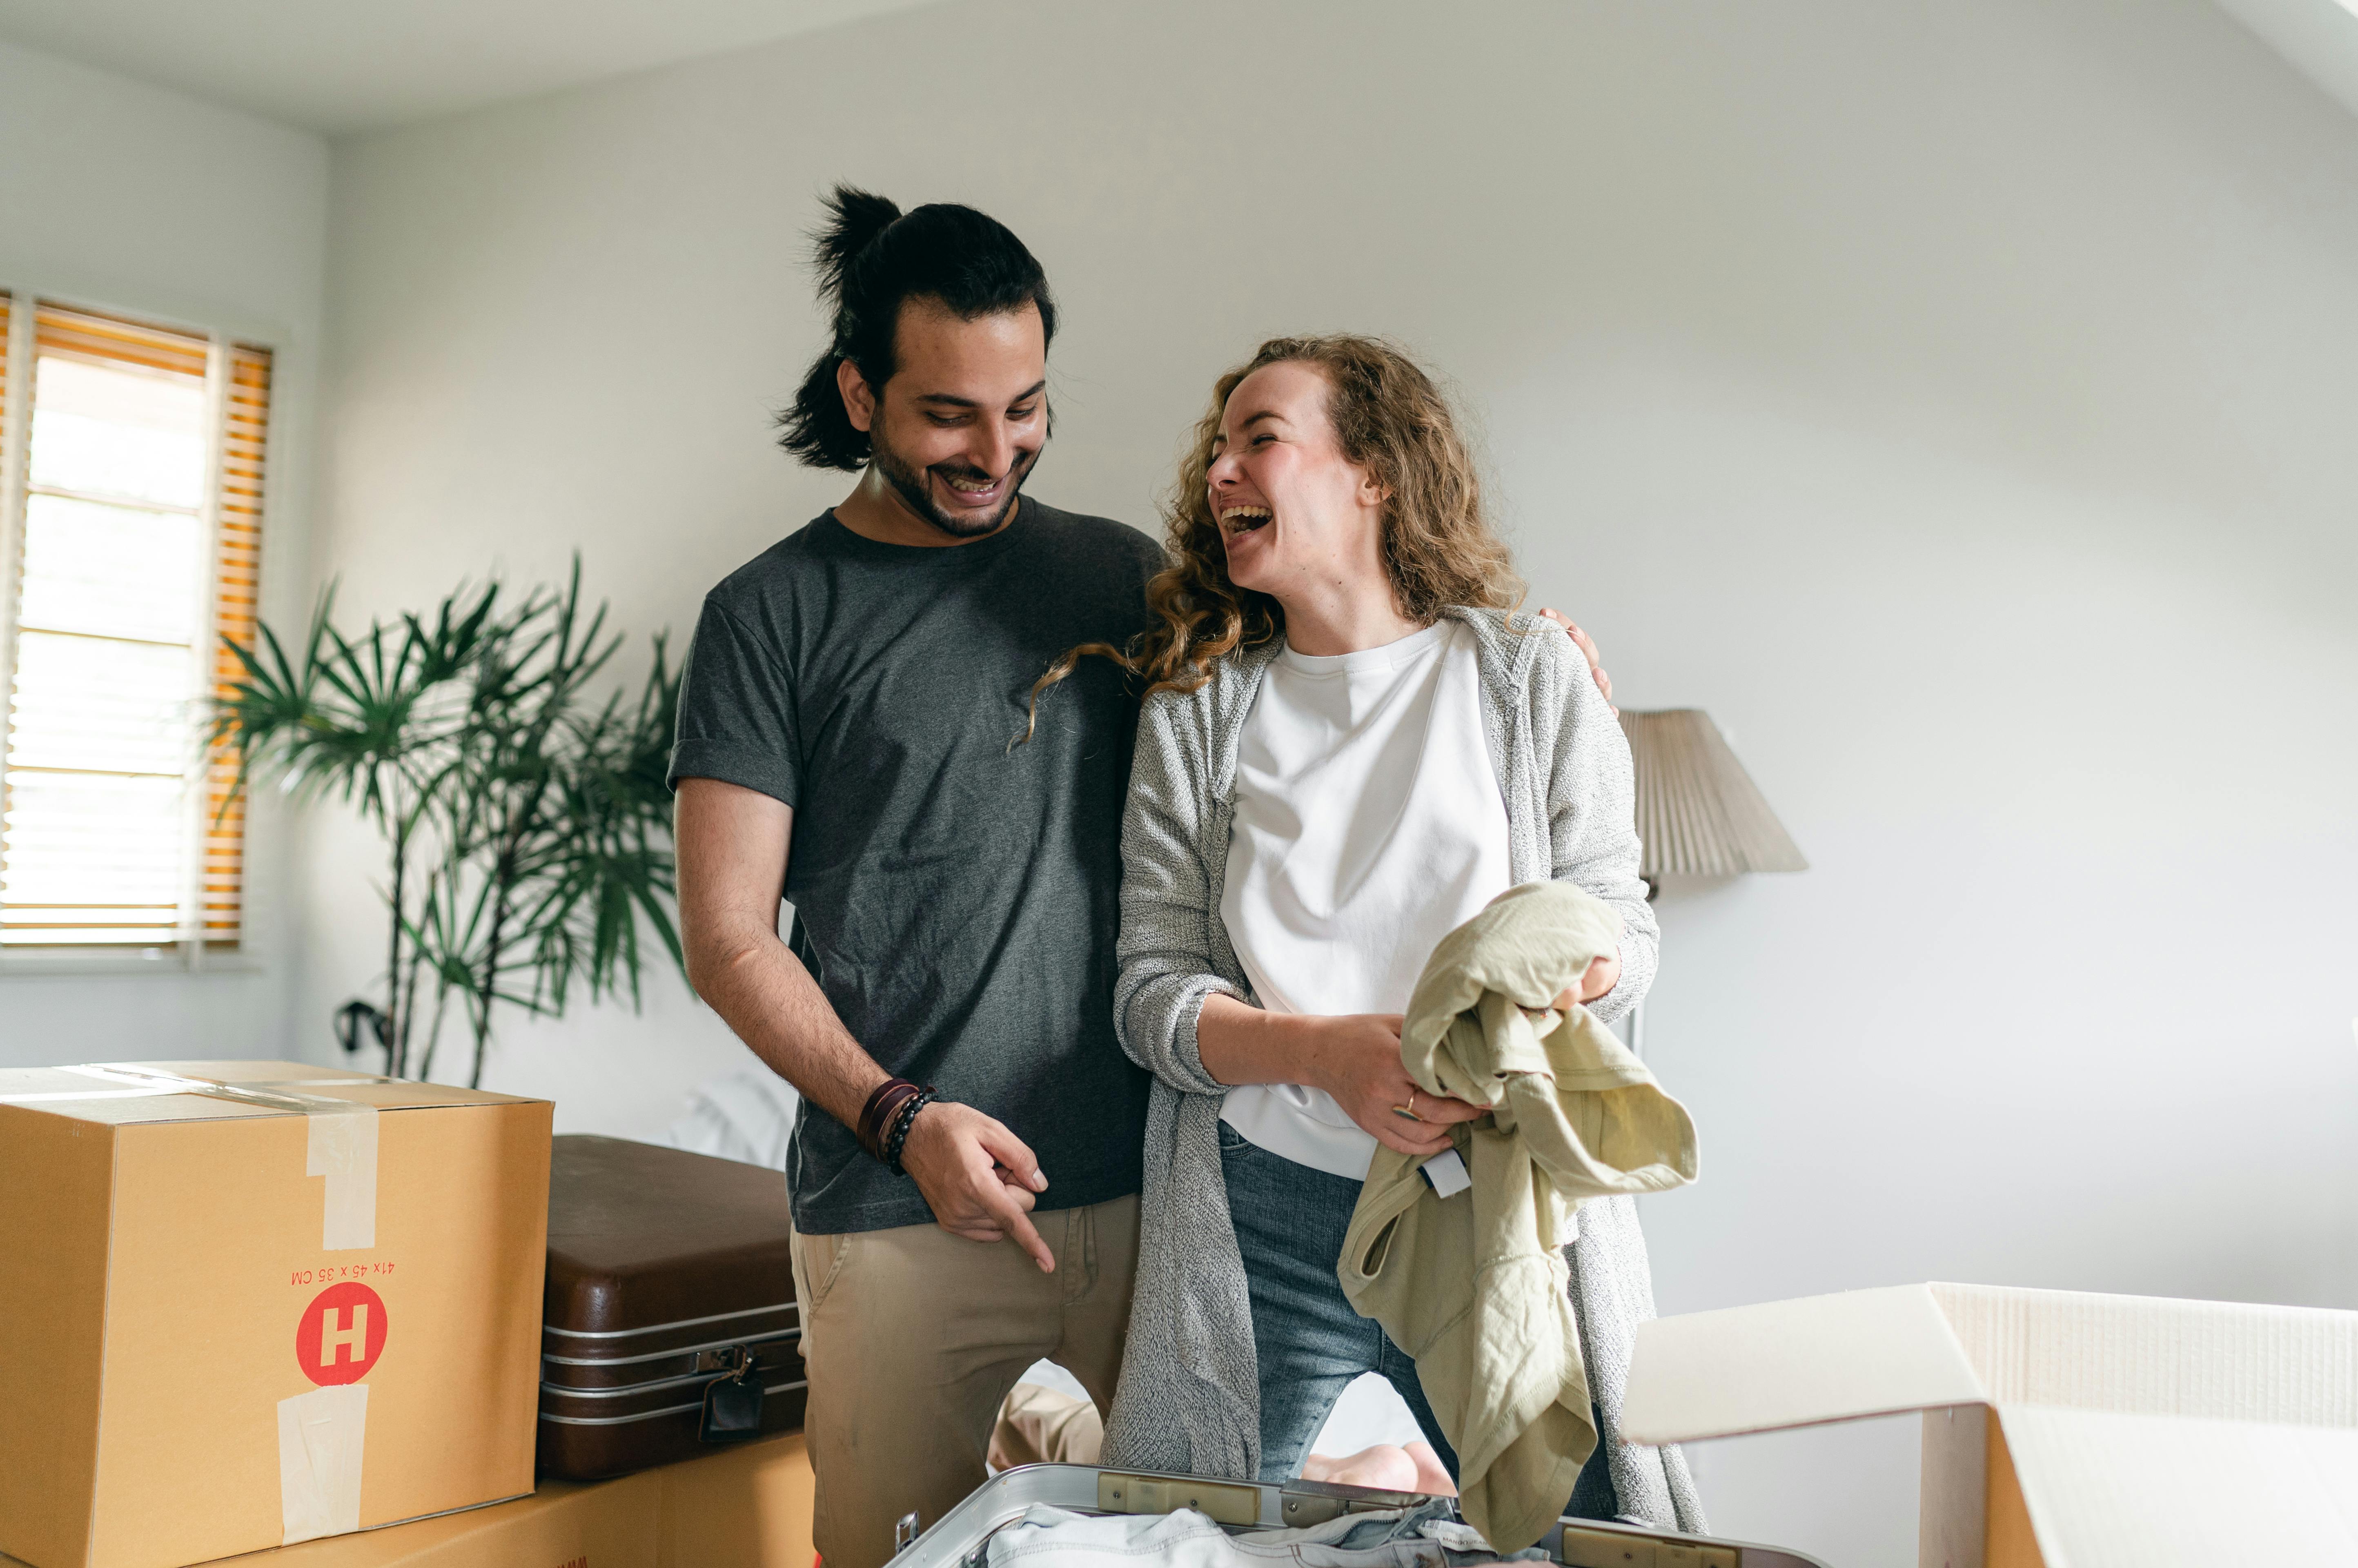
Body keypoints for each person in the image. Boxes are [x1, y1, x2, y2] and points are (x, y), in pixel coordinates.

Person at [671, 190, 1615, 1568]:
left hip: (1164, 1206)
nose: (998, 451)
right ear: (860, 394)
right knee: (901, 1553)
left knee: (1173, 1538)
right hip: (902, 1205)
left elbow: (1352, 641)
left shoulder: (1126, 582)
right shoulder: (769, 616)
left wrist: (1548, 663)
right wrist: (902, 1118)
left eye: (1027, 406)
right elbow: (728, 940)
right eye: (949, 416)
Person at [1085, 335, 1705, 1532]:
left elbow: (1626, 926)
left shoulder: (1532, 677)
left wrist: (1553, 981)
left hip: (1496, 1208)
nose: (1220, 473)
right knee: (1176, 1543)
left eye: (1258, 438)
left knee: (1593, 1542)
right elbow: (1150, 995)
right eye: (1216, 451)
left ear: (1375, 469)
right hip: (1256, 1219)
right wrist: (1324, 1057)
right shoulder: (1197, 712)